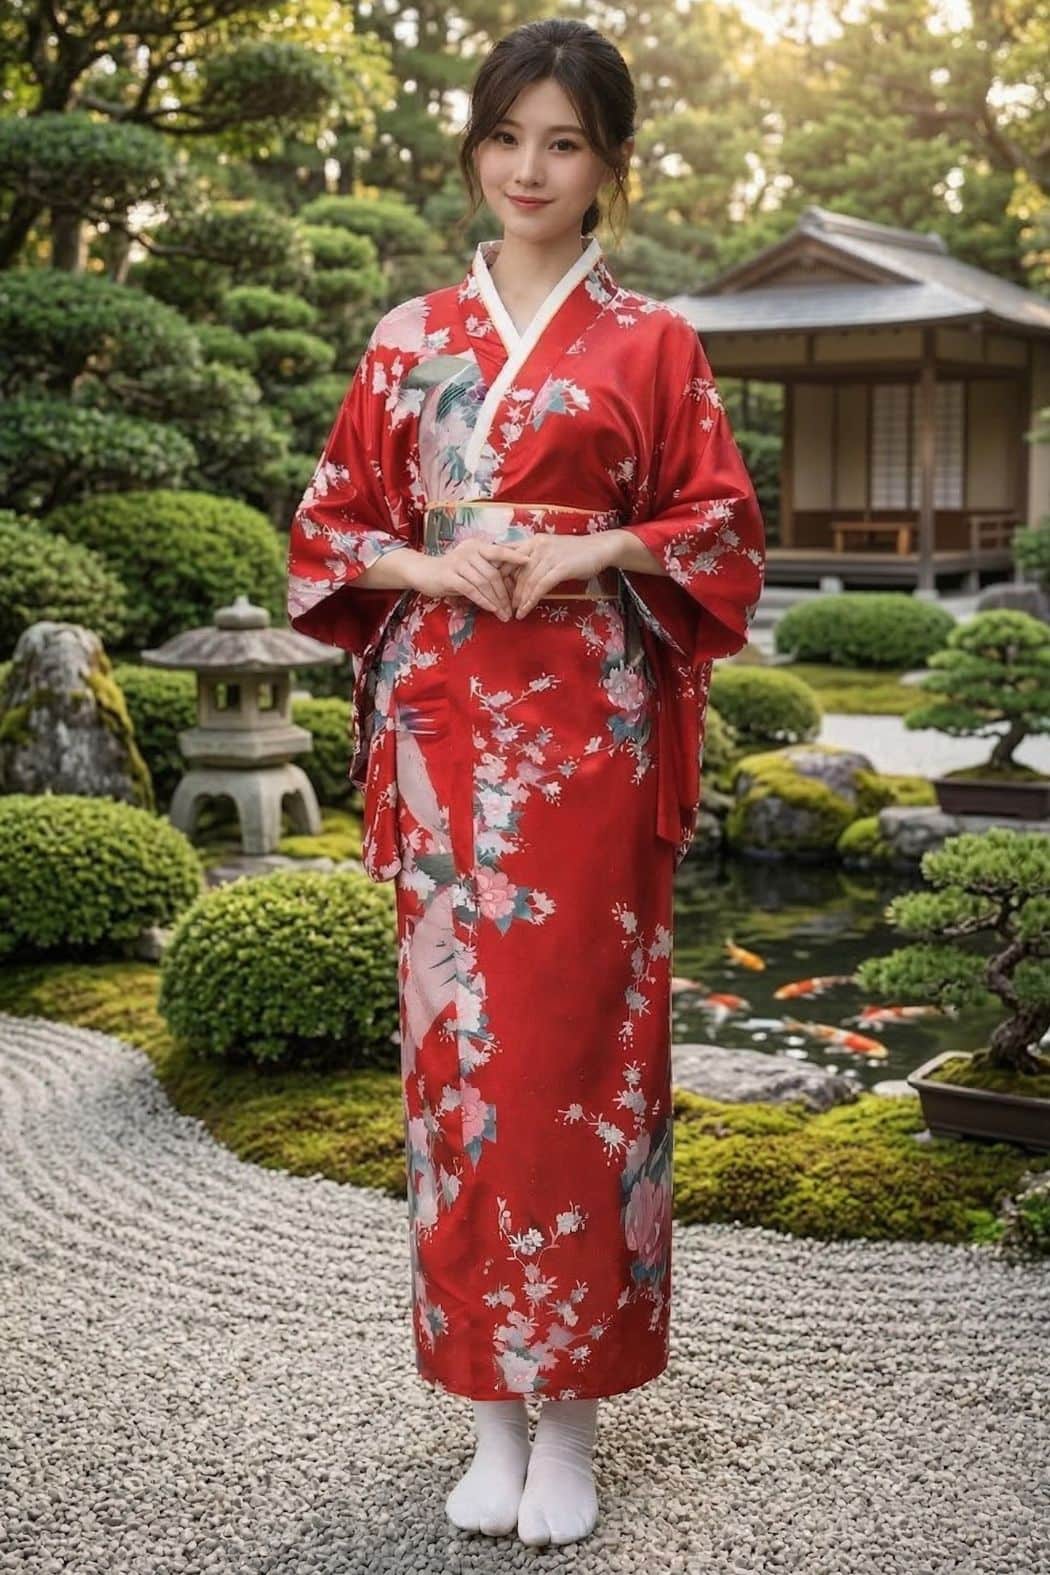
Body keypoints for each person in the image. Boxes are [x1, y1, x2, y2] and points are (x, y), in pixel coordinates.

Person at [286, 16, 766, 1549]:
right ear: (475, 150)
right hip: (444, 736)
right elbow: (330, 526)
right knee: (460, 1074)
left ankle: (571, 1420)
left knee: (581, 1060)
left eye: (562, 142)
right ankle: (486, 1411)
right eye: (506, 138)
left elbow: (720, 526)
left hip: (589, 736)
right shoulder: (409, 334)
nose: (529, 169)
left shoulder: (655, 343)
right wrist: (435, 556)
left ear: (608, 163)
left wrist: (587, 544)